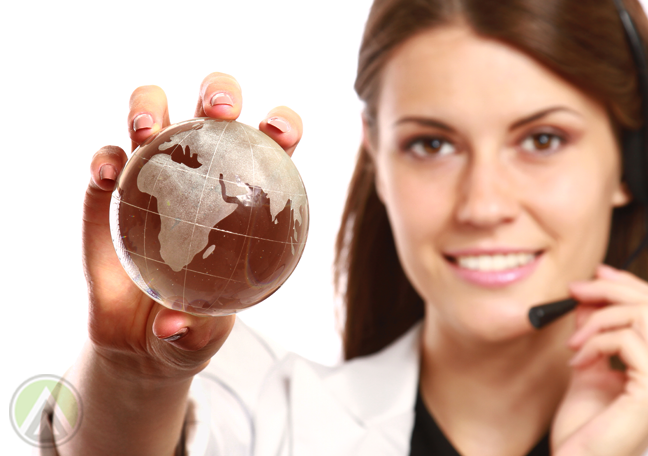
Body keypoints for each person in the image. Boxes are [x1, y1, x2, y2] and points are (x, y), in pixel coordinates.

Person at [43, 0, 648, 454]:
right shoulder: (261, 410)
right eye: (432, 143)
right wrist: (134, 375)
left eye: (542, 140)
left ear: (631, 159)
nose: (484, 205)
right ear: (378, 161)